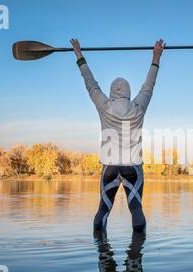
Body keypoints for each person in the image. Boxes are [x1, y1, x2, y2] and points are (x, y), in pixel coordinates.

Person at [70, 38, 164, 233]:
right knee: (136, 208)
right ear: (129, 92)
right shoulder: (138, 107)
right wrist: (156, 58)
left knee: (103, 209)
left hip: (110, 167)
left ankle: (101, 252)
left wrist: (79, 55)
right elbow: (149, 86)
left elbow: (91, 85)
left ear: (112, 92)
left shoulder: (105, 107)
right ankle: (137, 255)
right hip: (133, 167)